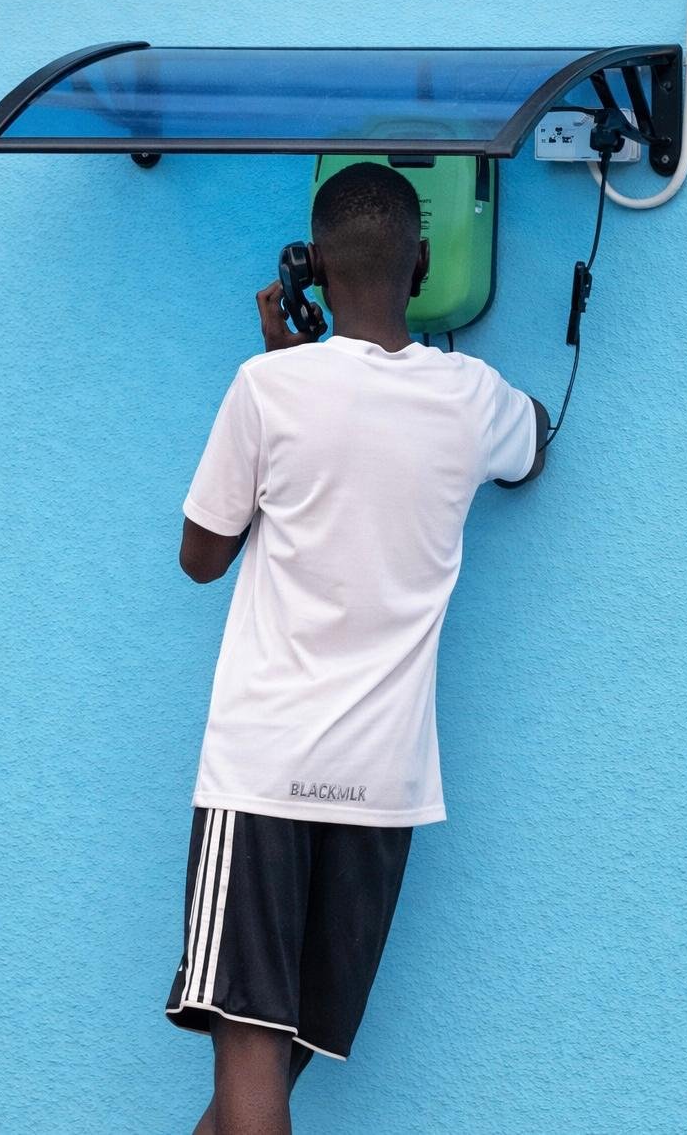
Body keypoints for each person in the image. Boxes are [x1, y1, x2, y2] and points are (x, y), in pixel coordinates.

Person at [164, 162, 550, 1134]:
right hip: (380, 789)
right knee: (263, 1078)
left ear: (312, 272)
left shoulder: (266, 386)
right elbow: (531, 442)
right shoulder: (471, 399)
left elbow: (200, 559)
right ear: (420, 266)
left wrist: (280, 375)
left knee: (248, 1060)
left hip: (264, 772)